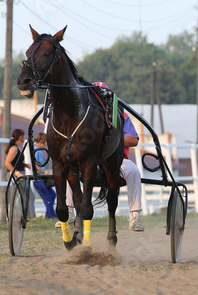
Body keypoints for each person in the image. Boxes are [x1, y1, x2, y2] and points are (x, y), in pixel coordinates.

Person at [60, 82, 145, 232]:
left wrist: (111, 139)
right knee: (68, 169)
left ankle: (135, 216)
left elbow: (133, 140)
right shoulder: (83, 118)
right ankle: (68, 211)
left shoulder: (120, 115)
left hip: (117, 160)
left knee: (133, 171)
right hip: (87, 161)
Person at [4, 129, 36, 219]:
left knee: (26, 195)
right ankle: (31, 216)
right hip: (16, 174)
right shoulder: (14, 148)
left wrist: (26, 165)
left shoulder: (17, 148)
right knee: (28, 195)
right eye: (23, 135)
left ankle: (27, 216)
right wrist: (17, 174)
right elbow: (7, 163)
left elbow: (16, 162)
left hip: (20, 173)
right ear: (20, 137)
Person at [33, 133, 57, 219]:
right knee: (48, 198)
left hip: (42, 178)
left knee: (53, 195)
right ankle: (51, 215)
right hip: (38, 179)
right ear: (43, 141)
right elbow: (35, 167)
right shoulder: (35, 151)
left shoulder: (38, 150)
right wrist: (46, 173)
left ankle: (48, 214)